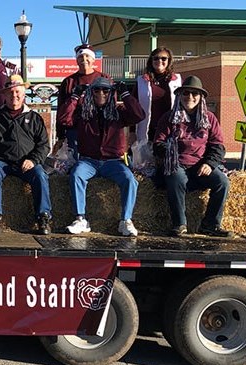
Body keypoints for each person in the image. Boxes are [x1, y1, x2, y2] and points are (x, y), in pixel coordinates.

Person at [57, 77, 145, 237]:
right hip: (88, 161)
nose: (101, 93)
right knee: (76, 174)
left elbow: (139, 115)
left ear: (111, 93)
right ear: (91, 92)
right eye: (96, 90)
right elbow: (64, 119)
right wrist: (75, 97)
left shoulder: (118, 113)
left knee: (130, 180)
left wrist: (125, 94)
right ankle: (80, 219)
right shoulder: (84, 113)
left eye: (106, 90)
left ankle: (126, 220)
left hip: (113, 161)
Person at [0, 74, 53, 235]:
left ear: (23, 94)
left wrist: (33, 159)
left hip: (27, 163)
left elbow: (44, 145)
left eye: (17, 92)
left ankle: (43, 217)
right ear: (4, 95)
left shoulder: (35, 118)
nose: (14, 96)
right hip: (2, 162)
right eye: (10, 92)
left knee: (40, 175)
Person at [153, 76, 231, 237]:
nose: (190, 97)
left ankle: (210, 224)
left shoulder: (209, 118)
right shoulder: (168, 117)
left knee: (222, 182)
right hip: (176, 163)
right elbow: (158, 143)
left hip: (200, 165)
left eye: (195, 94)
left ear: (201, 97)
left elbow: (218, 146)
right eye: (186, 93)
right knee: (176, 177)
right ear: (180, 95)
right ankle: (179, 224)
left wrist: (209, 163)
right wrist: (170, 152)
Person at [54, 44, 111, 156]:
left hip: (98, 128)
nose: (84, 60)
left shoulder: (104, 78)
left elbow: (111, 105)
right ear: (76, 60)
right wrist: (60, 135)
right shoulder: (69, 81)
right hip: (75, 130)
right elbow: (61, 109)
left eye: (87, 56)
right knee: (76, 163)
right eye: (80, 57)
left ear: (93, 59)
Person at [134, 47, 182, 143]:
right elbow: (134, 107)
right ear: (151, 61)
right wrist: (131, 132)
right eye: (156, 58)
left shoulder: (178, 81)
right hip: (147, 131)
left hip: (169, 131)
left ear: (169, 61)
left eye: (163, 58)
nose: (159, 61)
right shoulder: (141, 81)